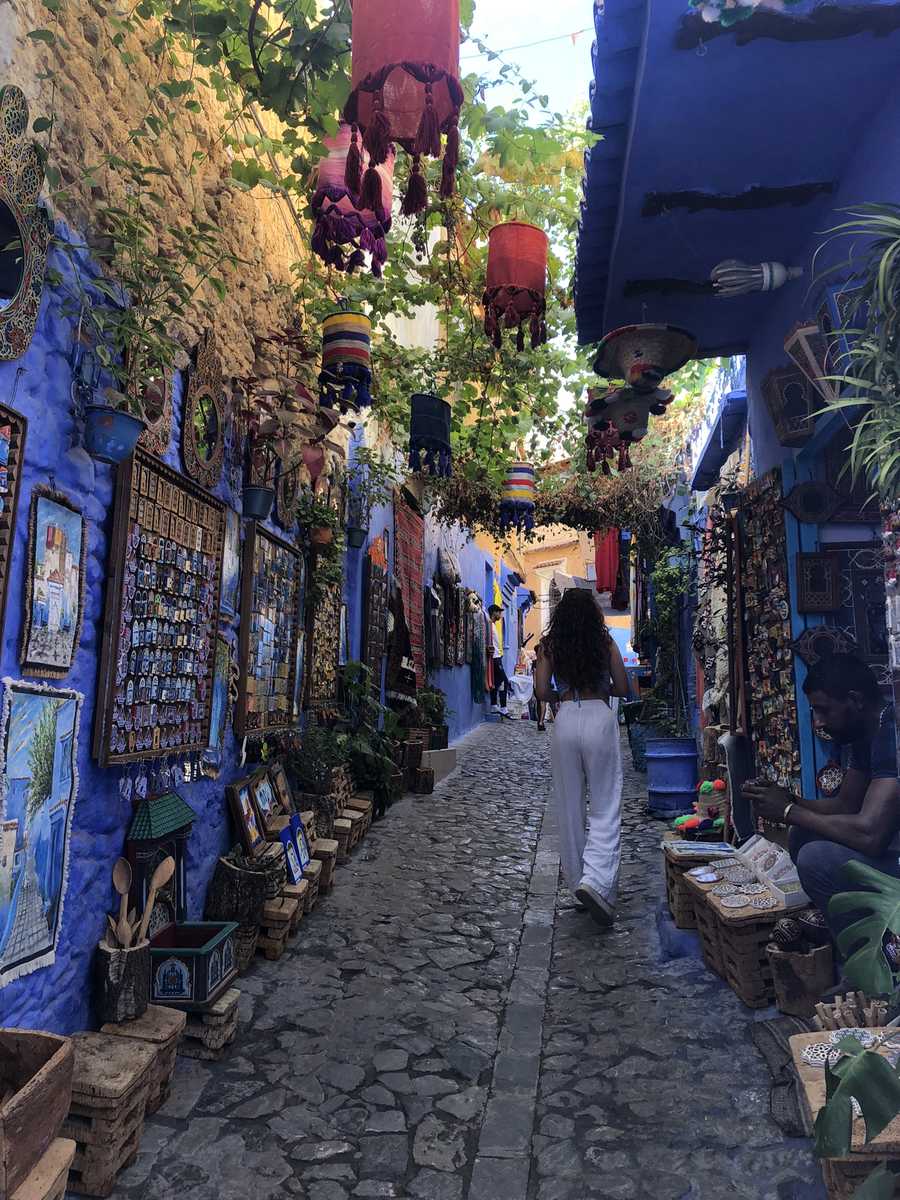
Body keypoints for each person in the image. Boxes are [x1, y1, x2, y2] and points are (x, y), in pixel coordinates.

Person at [743, 653, 899, 945]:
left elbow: (871, 835)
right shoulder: (866, 733)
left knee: (816, 858)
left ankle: (870, 954)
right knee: (803, 832)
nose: (817, 722)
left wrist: (787, 810)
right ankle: (853, 929)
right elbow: (845, 805)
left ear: (855, 700)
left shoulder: (892, 733)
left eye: (823, 710)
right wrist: (785, 799)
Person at [534, 588, 630, 927]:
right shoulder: (604, 643)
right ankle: (597, 880)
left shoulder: (550, 645)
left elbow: (541, 691)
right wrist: (603, 687)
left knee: (569, 806)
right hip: (599, 716)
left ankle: (578, 883)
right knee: (605, 805)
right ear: (593, 613)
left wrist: (561, 694)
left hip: (566, 720)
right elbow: (623, 687)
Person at [487, 603, 512, 719]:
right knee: (504, 681)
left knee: (497, 682)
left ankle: (494, 705)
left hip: (497, 657)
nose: (500, 614)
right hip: (494, 658)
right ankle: (503, 707)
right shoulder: (489, 625)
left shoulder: (492, 625)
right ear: (494, 613)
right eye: (499, 612)